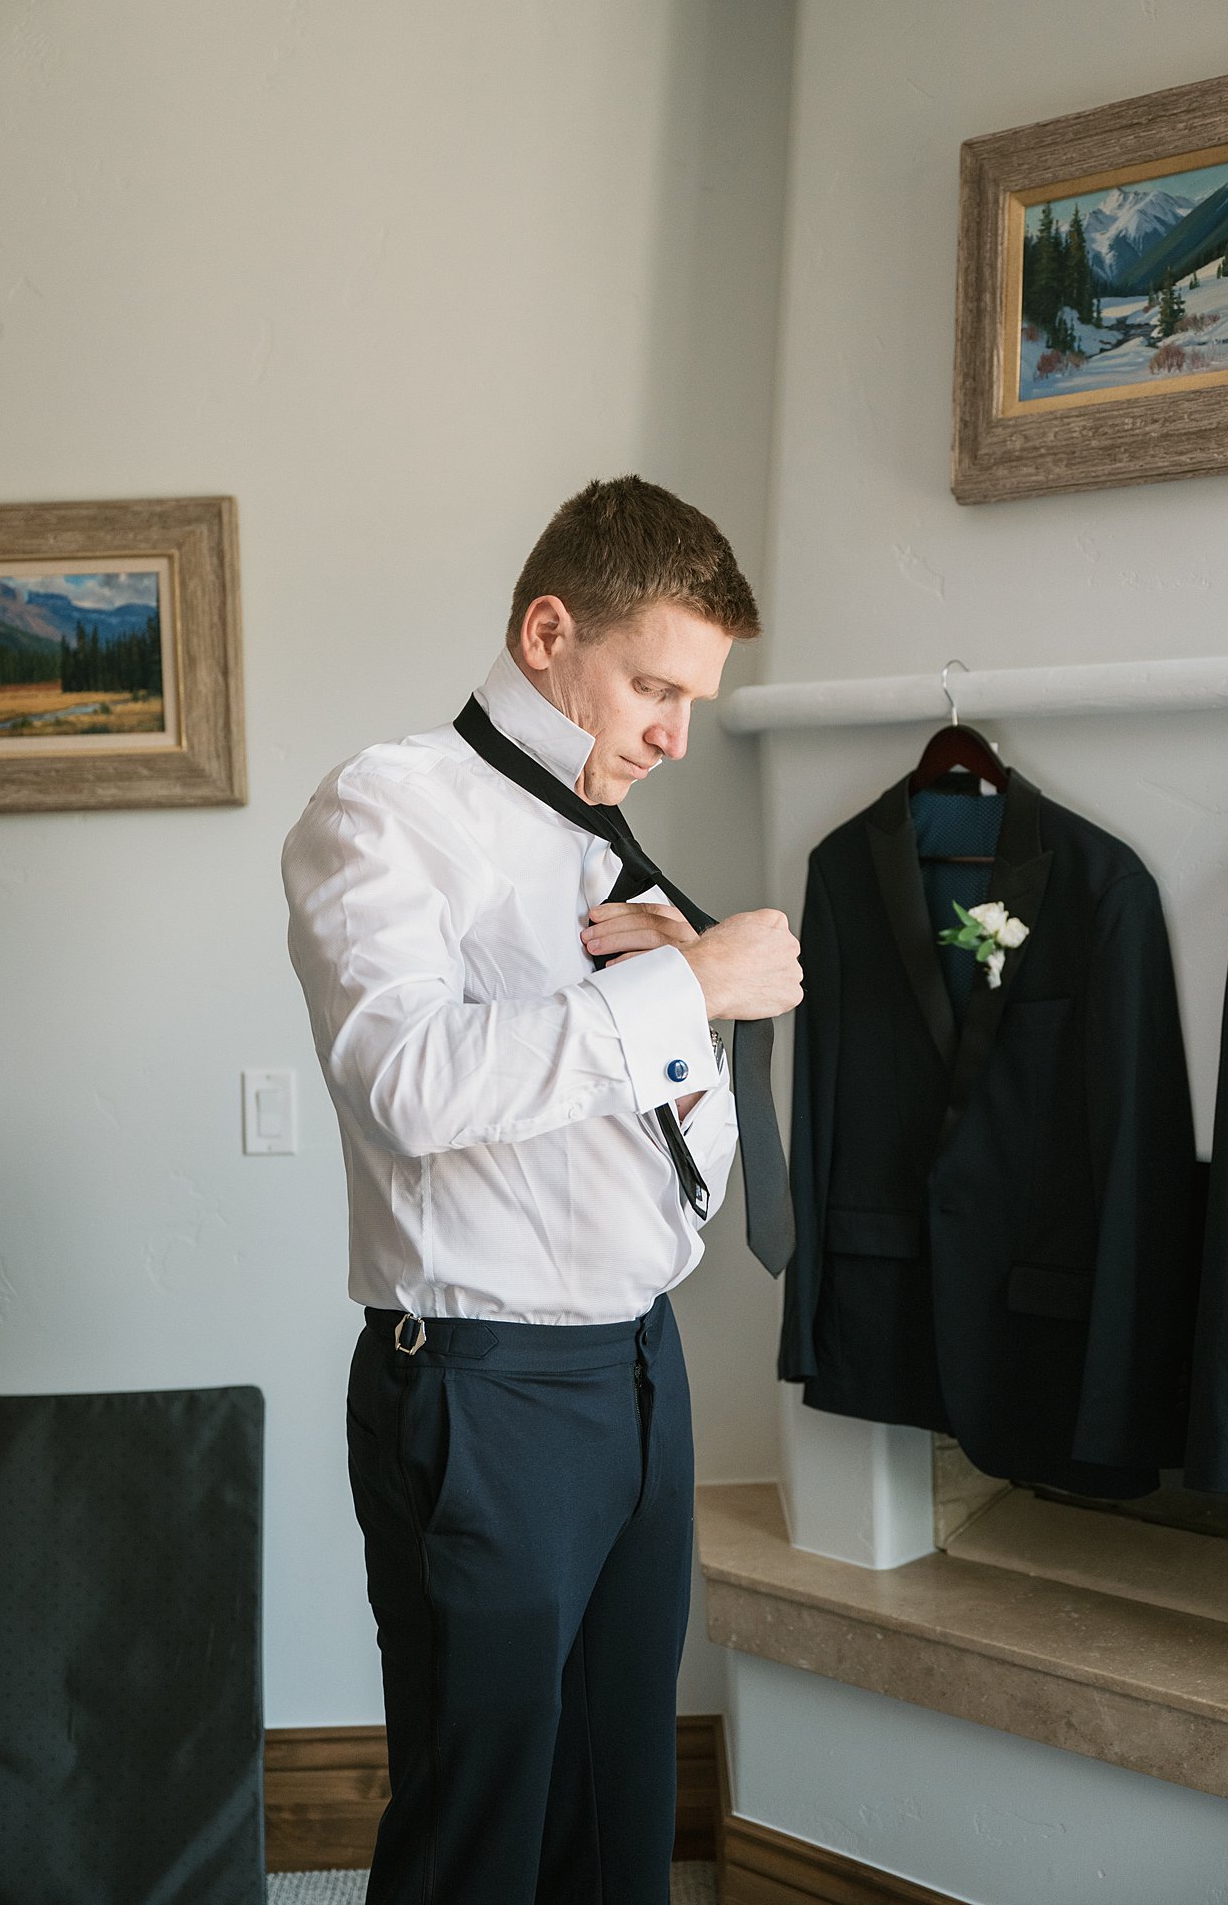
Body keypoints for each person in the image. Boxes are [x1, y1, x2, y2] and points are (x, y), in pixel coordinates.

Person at [281, 475, 802, 1905]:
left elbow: (676, 1174)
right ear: (546, 629)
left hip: (641, 1369)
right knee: (482, 1829)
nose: (672, 735)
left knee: (617, 1810)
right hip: (484, 1390)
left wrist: (686, 1017)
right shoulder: (385, 812)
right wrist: (685, 985)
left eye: (695, 700)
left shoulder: (604, 848)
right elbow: (406, 1082)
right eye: (652, 684)